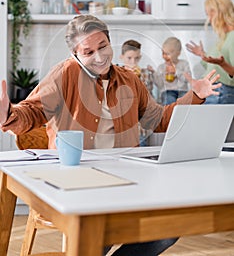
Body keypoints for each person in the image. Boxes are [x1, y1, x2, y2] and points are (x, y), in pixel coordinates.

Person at [0, 14, 221, 256]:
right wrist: (7, 115)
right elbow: (32, 111)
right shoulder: (64, 74)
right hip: (78, 179)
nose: (99, 56)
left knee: (168, 228)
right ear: (75, 54)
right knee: (98, 236)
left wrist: (195, 95)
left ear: (109, 41)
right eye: (88, 52)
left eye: (103, 46)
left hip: (127, 175)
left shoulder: (129, 79)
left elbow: (158, 119)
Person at [186, 0, 234, 104]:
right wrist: (203, 55)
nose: (209, 19)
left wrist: (222, 64)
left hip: (222, 93)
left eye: (210, 14)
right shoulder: (223, 37)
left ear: (219, 12)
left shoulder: (232, 36)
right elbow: (216, 66)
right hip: (215, 92)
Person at [119, 39, 155, 146]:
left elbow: (148, 98)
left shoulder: (145, 74)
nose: (133, 62)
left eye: (137, 58)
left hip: (142, 127)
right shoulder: (117, 74)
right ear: (121, 57)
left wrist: (138, 78)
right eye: (129, 58)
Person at [148, 37, 191, 105]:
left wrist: (176, 71)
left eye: (168, 54)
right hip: (167, 91)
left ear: (178, 53)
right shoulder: (161, 67)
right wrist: (154, 73)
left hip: (182, 91)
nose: (165, 56)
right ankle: (169, 114)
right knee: (169, 100)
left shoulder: (184, 64)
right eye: (163, 53)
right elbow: (160, 85)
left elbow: (188, 79)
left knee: (185, 102)